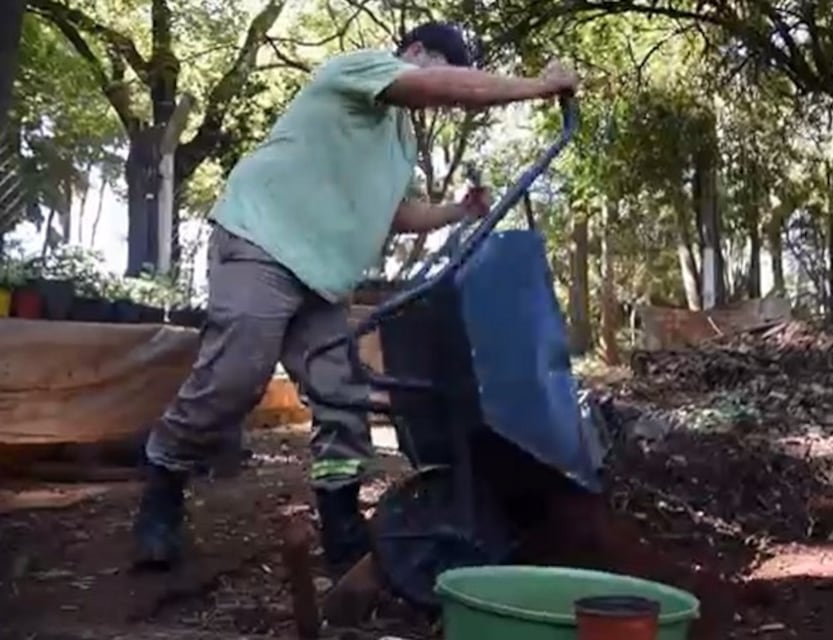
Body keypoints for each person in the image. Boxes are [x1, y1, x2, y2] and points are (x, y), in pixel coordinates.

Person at [132, 21, 579, 577]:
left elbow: (395, 214)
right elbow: (444, 88)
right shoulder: (361, 69)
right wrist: (539, 86)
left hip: (323, 280)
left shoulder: (402, 140)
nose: (444, 96)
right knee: (236, 377)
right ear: (415, 51)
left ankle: (342, 524)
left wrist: (459, 212)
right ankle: (162, 485)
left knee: (343, 397)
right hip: (262, 240)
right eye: (446, 70)